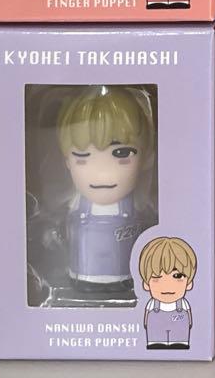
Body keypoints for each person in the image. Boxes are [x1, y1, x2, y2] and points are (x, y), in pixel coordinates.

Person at [56, 86, 154, 301]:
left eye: (122, 153)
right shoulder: (76, 204)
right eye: (82, 156)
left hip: (123, 273)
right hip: (85, 271)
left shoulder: (135, 205)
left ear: (146, 157)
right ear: (67, 162)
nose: (102, 172)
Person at [140, 236, 197, 349]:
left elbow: (189, 319)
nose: (167, 285)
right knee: (156, 342)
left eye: (177, 276)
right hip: (155, 331)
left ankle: (180, 342)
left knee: (179, 342)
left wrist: (189, 325)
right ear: (146, 284)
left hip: (180, 331)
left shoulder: (183, 304)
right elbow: (146, 319)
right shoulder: (152, 304)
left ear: (189, 283)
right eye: (157, 276)